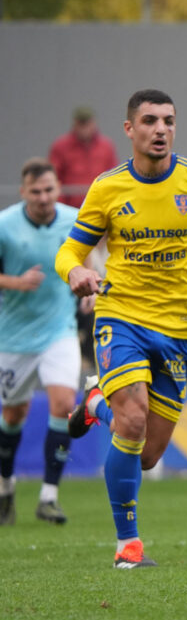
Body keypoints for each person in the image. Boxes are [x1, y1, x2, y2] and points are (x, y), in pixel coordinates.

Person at [56, 89, 187, 569]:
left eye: (167, 121)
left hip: (180, 328)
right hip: (121, 316)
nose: (160, 129)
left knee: (147, 454)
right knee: (135, 420)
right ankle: (129, 547)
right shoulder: (107, 188)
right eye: (149, 121)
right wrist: (75, 273)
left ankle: (97, 403)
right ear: (130, 130)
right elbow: (69, 251)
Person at [0, 159, 91, 526]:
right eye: (35, 191)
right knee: (12, 416)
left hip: (59, 331)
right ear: (23, 193)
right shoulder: (5, 224)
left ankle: (49, 496)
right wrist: (14, 282)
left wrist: (89, 284)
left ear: (58, 189)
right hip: (14, 337)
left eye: (49, 190)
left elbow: (95, 250)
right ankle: (6, 485)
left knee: (64, 403)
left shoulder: (74, 219)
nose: (43, 198)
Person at [49, 106, 120, 207]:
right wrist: (61, 206)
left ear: (94, 123)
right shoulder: (60, 146)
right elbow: (54, 177)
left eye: (87, 123)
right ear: (74, 124)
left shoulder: (106, 146)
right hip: (70, 207)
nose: (84, 128)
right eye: (81, 124)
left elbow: (113, 176)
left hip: (100, 205)